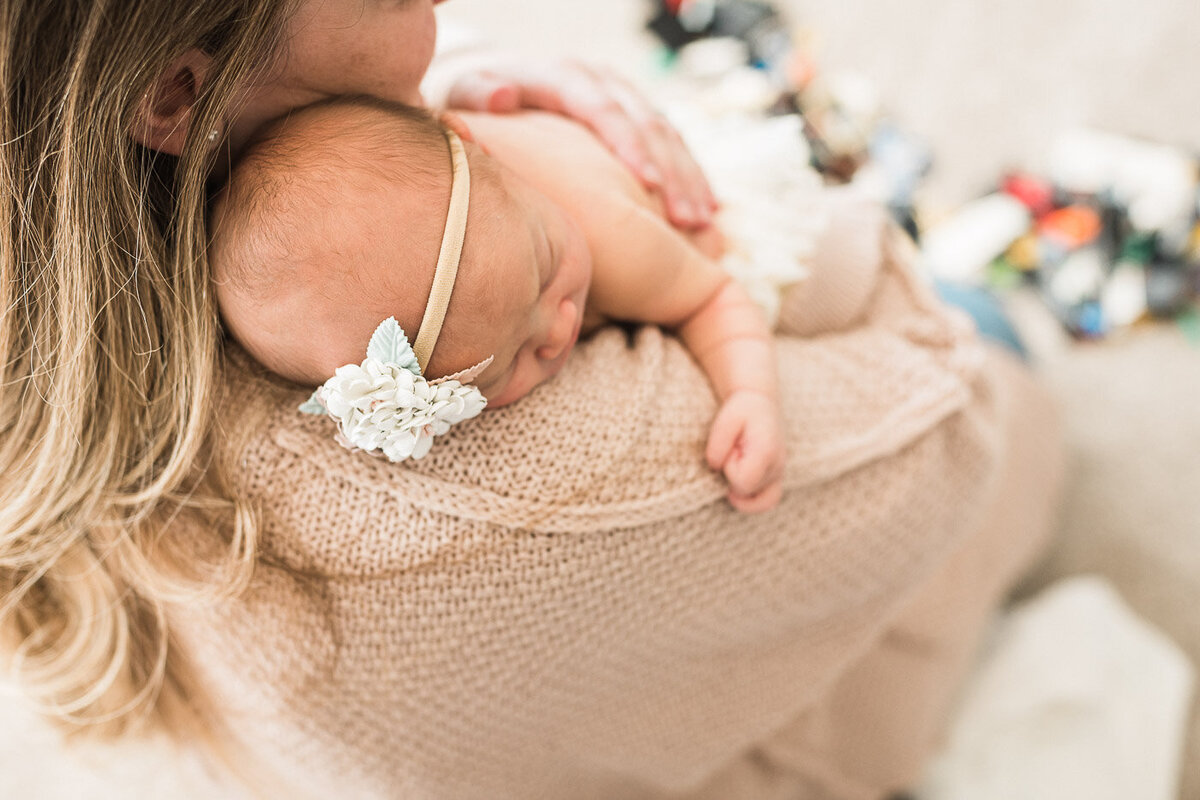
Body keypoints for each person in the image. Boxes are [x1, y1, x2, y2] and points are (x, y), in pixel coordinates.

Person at [0, 0, 1062, 797]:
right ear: (178, 96)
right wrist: (595, 208)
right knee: (989, 331)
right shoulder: (483, 500)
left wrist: (433, 127)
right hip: (755, 719)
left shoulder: (88, 342)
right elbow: (944, 408)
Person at [210, 98, 785, 511]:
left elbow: (713, 295)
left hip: (705, 191)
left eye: (546, 264)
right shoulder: (445, 210)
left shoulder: (609, 236)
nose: (560, 329)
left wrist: (749, 393)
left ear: (476, 144)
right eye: (508, 363)